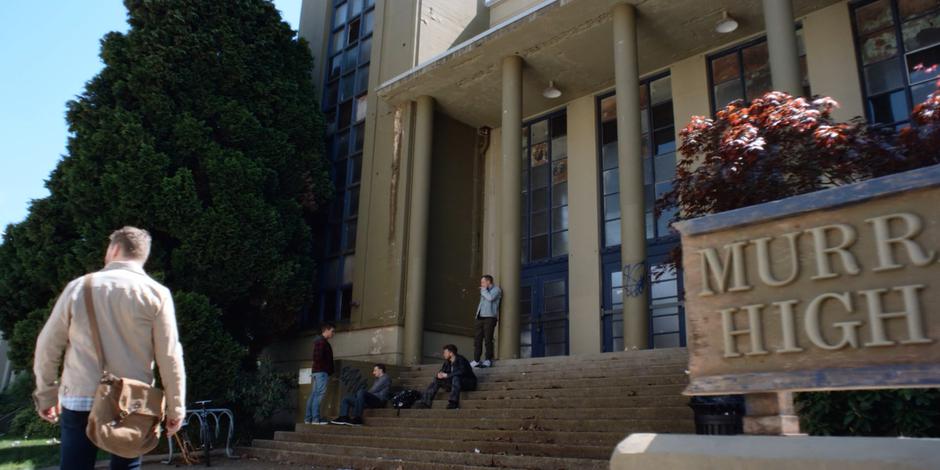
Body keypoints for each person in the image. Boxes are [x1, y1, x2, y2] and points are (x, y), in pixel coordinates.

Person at [33, 226, 186, 470]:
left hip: (81, 393)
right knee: (127, 465)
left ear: (114, 248)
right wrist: (176, 407)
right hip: (132, 401)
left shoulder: (78, 287)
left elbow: (47, 346)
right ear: (142, 255)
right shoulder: (158, 294)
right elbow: (169, 356)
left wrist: (46, 395)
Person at [416, 344, 476, 410]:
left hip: (467, 383)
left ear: (451, 353)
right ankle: (425, 402)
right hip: (454, 384)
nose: (444, 354)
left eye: (445, 353)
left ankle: (453, 403)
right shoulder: (447, 362)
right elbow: (442, 371)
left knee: (456, 377)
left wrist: (447, 375)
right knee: (437, 379)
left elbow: (462, 371)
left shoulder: (461, 360)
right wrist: (439, 375)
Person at [305, 322, 335, 425]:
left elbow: (317, 358)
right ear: (326, 330)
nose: (333, 333)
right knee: (318, 395)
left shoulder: (320, 341)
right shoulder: (321, 342)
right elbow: (317, 357)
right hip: (321, 372)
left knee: (314, 395)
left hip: (318, 372)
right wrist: (326, 369)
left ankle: (308, 419)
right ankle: (315, 419)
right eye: (332, 331)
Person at [472, 275, 501, 368]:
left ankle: (488, 359)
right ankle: (476, 360)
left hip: (489, 317)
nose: (481, 284)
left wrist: (483, 290)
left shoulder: (496, 290)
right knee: (477, 340)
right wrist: (477, 315)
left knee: (488, 339)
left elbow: (490, 298)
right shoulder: (484, 290)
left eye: (483, 282)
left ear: (489, 282)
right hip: (479, 317)